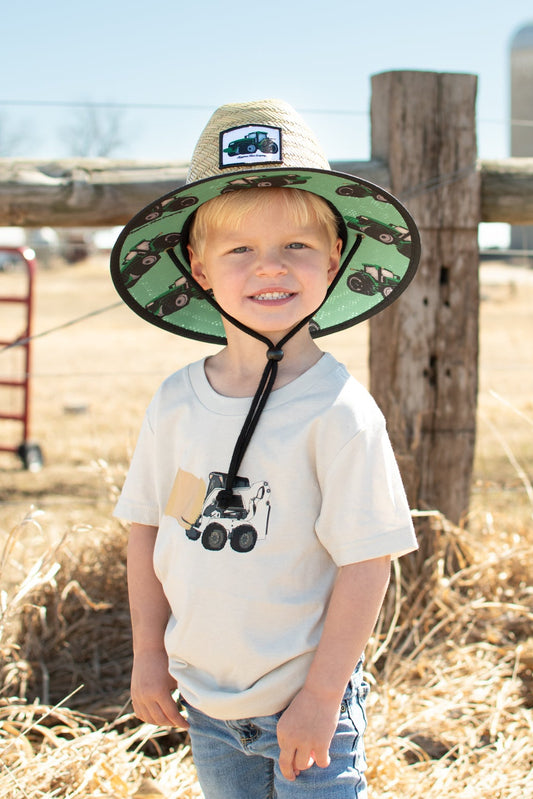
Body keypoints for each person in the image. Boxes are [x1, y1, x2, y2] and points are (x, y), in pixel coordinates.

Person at [111, 99, 421, 798]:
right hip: (207, 706)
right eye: (240, 249)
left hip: (308, 706)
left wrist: (319, 695)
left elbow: (365, 563)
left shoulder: (337, 410)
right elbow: (150, 529)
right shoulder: (177, 403)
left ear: (334, 258)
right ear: (197, 265)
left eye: (296, 247)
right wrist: (148, 655)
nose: (269, 268)